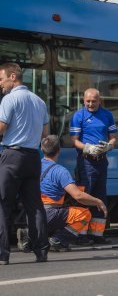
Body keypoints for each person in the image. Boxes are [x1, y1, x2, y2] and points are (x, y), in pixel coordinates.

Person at [17, 135, 108, 252]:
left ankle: (28, 234)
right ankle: (58, 240)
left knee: (58, 214)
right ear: (59, 151)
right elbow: (78, 196)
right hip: (49, 214)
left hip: (31, 213)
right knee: (84, 214)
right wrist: (98, 201)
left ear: (42, 149)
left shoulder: (34, 167)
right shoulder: (60, 171)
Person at [0, 62, 49, 265]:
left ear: (13, 77)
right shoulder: (40, 101)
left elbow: (1, 127)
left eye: (1, 79)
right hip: (33, 157)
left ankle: (3, 254)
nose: (0, 84)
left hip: (12, 156)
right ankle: (41, 251)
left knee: (3, 204)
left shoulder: (9, 99)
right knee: (35, 206)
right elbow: (45, 135)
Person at [70, 88, 117, 244]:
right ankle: (79, 235)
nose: (90, 104)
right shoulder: (79, 116)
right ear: (84, 100)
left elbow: (113, 138)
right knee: (84, 197)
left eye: (94, 101)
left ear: (99, 101)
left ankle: (96, 235)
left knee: (99, 197)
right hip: (86, 162)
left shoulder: (107, 115)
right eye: (88, 101)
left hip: (101, 161)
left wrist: (108, 147)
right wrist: (87, 148)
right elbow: (74, 140)